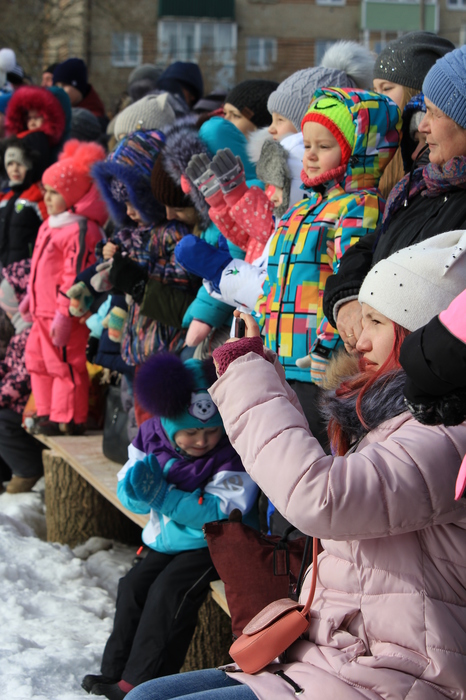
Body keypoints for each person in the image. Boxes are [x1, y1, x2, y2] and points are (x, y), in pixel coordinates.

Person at [126, 229, 466, 700]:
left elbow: (319, 498)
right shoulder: (398, 420)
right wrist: (262, 372)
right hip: (336, 655)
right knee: (145, 696)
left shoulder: (447, 434)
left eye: (376, 322)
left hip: (397, 675)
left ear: (422, 334)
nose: (359, 341)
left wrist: (248, 377)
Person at [82, 353, 259, 699]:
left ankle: (141, 682)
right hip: (167, 540)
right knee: (132, 586)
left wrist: (162, 496)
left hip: (213, 542)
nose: (202, 441)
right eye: (191, 432)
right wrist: (138, 493)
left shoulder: (230, 451)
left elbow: (221, 511)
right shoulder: (151, 435)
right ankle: (114, 669)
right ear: (170, 425)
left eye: (211, 431)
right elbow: (129, 482)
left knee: (168, 592)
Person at [254, 87, 400, 442]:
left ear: (358, 150)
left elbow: (348, 283)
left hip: (317, 366)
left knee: (312, 452)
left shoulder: (359, 206)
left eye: (324, 146)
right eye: (307, 145)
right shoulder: (299, 211)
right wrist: (258, 331)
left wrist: (326, 345)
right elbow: (273, 280)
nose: (311, 155)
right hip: (277, 357)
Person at [324, 43, 466, 353]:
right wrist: (348, 298)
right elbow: (371, 248)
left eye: (434, 113)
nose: (422, 126)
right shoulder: (423, 185)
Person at [24, 140, 107, 435]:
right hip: (41, 311)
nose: (46, 197)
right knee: (37, 361)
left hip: (62, 314)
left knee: (65, 364)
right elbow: (40, 268)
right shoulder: (52, 223)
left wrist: (64, 313)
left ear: (72, 194)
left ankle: (69, 417)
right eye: (45, 190)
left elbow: (74, 276)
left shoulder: (81, 228)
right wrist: (29, 299)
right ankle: (47, 411)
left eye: (54, 192)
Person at [371, 30, 454, 198]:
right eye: (374, 90)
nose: (377, 98)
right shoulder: (375, 142)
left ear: (415, 90)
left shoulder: (436, 152)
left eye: (386, 88)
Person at [0, 259, 44, 493]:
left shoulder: (31, 333)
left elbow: (23, 376)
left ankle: (27, 469)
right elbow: (10, 366)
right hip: (18, 397)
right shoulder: (20, 333)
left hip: (29, 401)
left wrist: (1, 395)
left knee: (2, 422)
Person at [0, 132, 49, 270]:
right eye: (10, 164)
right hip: (3, 269)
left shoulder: (38, 195)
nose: (14, 169)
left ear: (29, 165)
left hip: (25, 270)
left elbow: (49, 231)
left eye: (20, 164)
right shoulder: (4, 199)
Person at [53, 57, 108, 129]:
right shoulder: (55, 114)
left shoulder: (94, 122)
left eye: (64, 85)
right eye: (56, 86)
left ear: (78, 86)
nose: (59, 90)